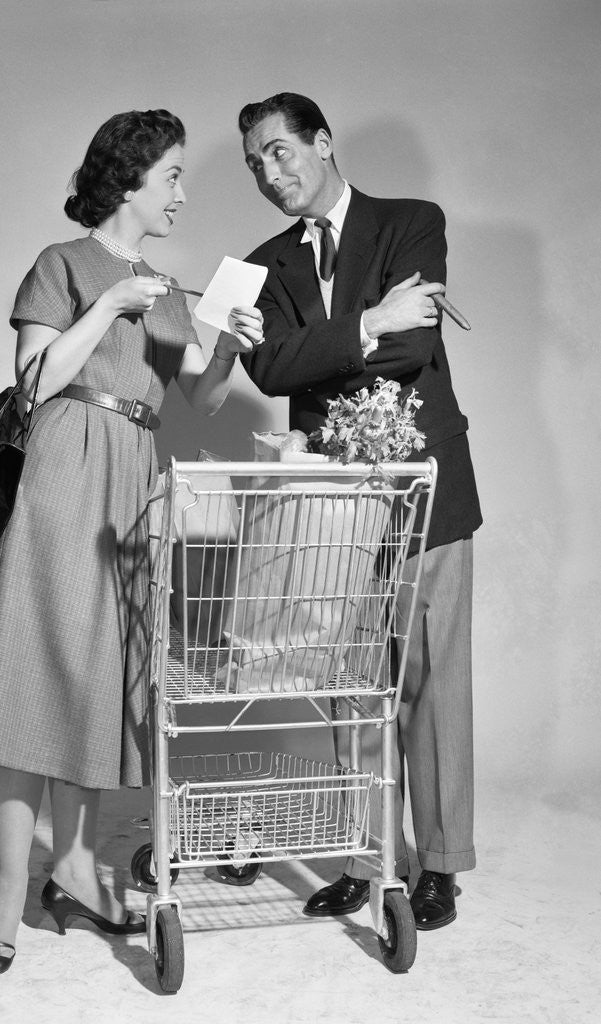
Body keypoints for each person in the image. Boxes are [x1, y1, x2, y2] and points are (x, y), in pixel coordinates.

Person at [0, 108, 264, 974]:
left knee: (91, 678)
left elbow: (202, 398)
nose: (183, 195)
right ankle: (10, 882)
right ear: (127, 181)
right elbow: (38, 381)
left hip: (128, 484)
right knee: (27, 671)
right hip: (62, 472)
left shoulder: (162, 284)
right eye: (173, 178)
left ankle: (75, 870)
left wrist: (228, 344)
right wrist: (110, 303)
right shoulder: (64, 264)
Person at [234, 92, 482, 931]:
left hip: (425, 486)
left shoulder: (413, 220)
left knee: (430, 679)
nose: (270, 174)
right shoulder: (263, 261)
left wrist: (333, 350)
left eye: (278, 152)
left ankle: (439, 864)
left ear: (323, 143)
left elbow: (417, 349)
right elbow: (266, 370)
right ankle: (367, 855)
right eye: (254, 164)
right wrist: (372, 320)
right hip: (329, 502)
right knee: (348, 682)